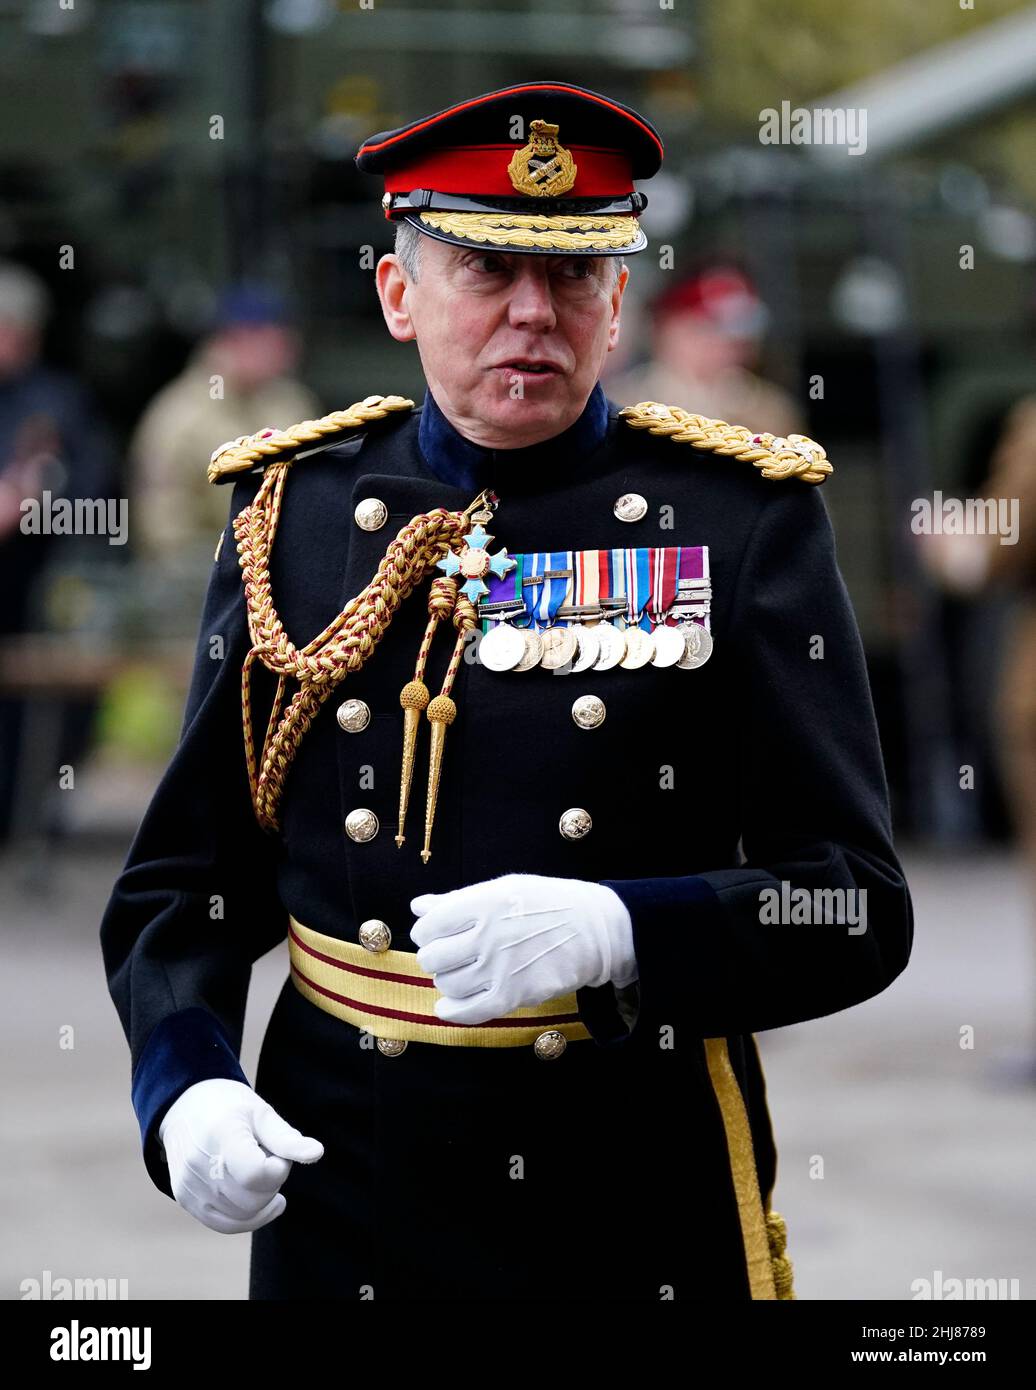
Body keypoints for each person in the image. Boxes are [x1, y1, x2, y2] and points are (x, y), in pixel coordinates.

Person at [100, 80, 913, 1301]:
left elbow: (853, 904)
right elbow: (184, 886)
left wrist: (633, 929)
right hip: (348, 1166)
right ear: (397, 293)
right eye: (484, 269)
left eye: (574, 277)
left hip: (628, 1178)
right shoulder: (293, 517)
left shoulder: (738, 523)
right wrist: (187, 1079)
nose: (533, 314)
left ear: (617, 301)